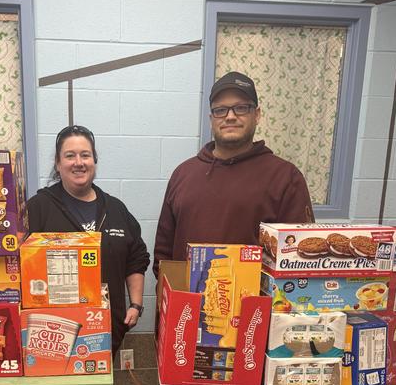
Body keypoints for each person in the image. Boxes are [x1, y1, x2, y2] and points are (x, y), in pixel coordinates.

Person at [153, 71, 314, 275]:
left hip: (253, 305)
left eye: (241, 108)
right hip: (186, 305)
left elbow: (298, 256)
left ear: (257, 115)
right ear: (212, 119)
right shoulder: (184, 174)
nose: (230, 116)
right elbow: (163, 254)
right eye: (221, 110)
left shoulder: (285, 178)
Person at [26, 124, 150, 355]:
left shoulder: (115, 209)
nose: (79, 162)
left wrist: (135, 304)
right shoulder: (39, 207)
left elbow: (136, 258)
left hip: (105, 329)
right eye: (70, 155)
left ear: (94, 160)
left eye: (85, 155)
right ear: (58, 163)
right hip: (52, 334)